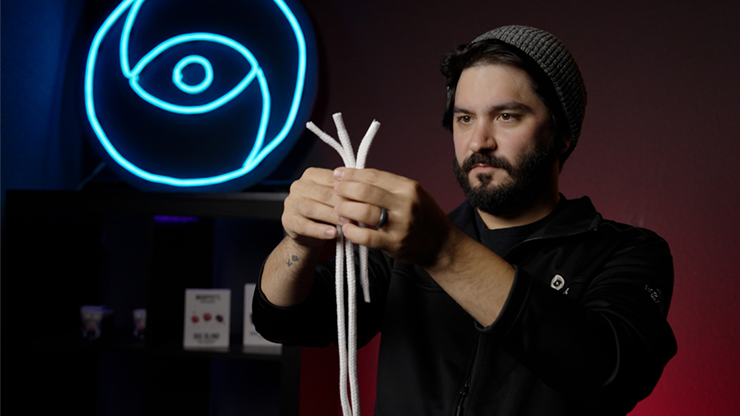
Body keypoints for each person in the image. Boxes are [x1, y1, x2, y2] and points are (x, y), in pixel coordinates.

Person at [253, 25, 677, 415]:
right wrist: (299, 241)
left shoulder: (627, 252)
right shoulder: (402, 250)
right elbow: (282, 321)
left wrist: (442, 249)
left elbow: (612, 373)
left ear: (562, 133)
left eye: (507, 116)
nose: (478, 141)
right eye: (464, 118)